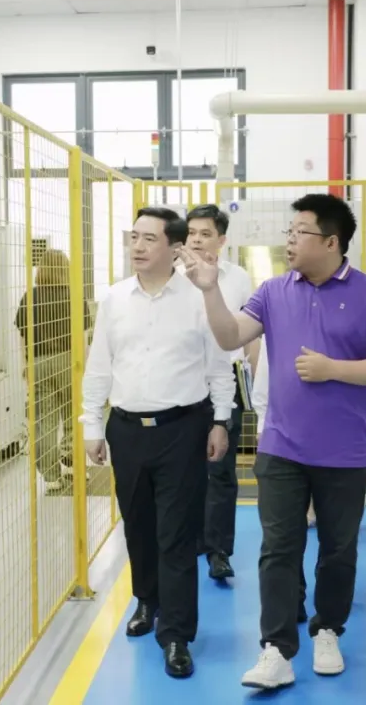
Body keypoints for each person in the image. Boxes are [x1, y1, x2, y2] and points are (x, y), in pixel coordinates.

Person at [179, 193, 366, 690]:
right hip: (280, 447)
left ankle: (328, 629)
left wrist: (333, 370)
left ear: (331, 241)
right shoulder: (274, 290)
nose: (289, 238)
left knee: (338, 549)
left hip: (344, 453)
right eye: (289, 230)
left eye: (299, 231)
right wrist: (210, 291)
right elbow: (230, 336)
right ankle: (276, 649)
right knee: (278, 548)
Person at [80, 207, 235, 679]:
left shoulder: (199, 298)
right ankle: (147, 601)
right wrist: (91, 424)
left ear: (174, 247)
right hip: (126, 430)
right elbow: (99, 367)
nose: (138, 246)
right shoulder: (113, 300)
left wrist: (221, 421)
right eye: (133, 237)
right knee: (139, 526)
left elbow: (217, 366)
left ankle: (177, 635)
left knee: (176, 533)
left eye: (149, 239)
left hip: (182, 429)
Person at [251, 335, 366, 624]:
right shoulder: (279, 296)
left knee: (339, 541)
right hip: (286, 435)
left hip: (344, 432)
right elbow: (268, 364)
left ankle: (328, 625)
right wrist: (262, 421)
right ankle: (290, 605)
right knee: (283, 536)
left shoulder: (364, 298)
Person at [180, 204, 257, 581]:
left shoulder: (239, 278)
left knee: (221, 470)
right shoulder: (171, 276)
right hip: (182, 385)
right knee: (183, 471)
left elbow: (250, 333)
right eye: (191, 232)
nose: (195, 239)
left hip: (226, 383)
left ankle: (218, 551)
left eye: (205, 233)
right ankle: (191, 540)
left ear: (222, 240)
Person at [14, 249, 91, 492]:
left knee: (44, 420)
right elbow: (83, 337)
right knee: (74, 415)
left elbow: (23, 336)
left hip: (38, 361)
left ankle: (51, 477)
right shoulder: (73, 296)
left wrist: (25, 364)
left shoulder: (30, 297)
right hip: (69, 361)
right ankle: (72, 463)